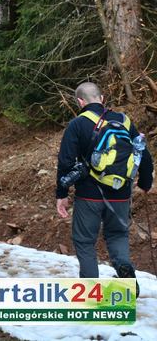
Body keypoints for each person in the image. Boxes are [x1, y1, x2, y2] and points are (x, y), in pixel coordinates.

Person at [56, 82, 152, 280]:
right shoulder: (124, 121)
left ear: (79, 101)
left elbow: (65, 162)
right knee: (117, 235)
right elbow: (142, 152)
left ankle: (91, 291)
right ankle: (124, 266)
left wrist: (62, 195)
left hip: (88, 196)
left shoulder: (77, 124)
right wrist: (145, 182)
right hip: (121, 194)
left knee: (84, 242)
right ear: (102, 98)